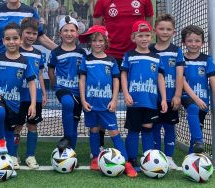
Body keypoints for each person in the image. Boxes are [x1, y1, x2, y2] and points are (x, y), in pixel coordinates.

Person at [93, 0, 154, 147]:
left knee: (136, 100)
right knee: (103, 100)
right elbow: (97, 31)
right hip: (111, 58)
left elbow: (149, 27)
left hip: (137, 58)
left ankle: (135, 144)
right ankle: (100, 145)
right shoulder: (103, 1)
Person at [78, 25, 137, 177]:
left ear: (105, 42)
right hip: (91, 104)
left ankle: (125, 162)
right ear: (90, 43)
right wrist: (83, 100)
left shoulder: (111, 61)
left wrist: (115, 99)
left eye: (100, 40)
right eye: (94, 41)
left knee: (114, 132)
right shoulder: (86, 60)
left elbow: (116, 81)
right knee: (93, 130)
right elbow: (82, 81)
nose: (97, 43)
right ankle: (96, 158)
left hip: (107, 105)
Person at [0, 22, 37, 178]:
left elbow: (32, 82)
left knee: (10, 133)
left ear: (20, 40)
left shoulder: (24, 61)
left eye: (15, 38)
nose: (12, 42)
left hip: (15, 104)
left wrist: (33, 103)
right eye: (8, 39)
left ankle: (6, 163)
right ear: (3, 41)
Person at [121, 20, 167, 170]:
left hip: (151, 101)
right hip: (134, 101)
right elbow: (123, 75)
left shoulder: (156, 57)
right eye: (140, 35)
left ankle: (147, 160)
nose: (144, 38)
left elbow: (160, 78)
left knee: (148, 129)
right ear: (134, 37)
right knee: (133, 130)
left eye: (147, 35)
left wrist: (164, 99)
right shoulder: (129, 55)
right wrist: (126, 93)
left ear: (151, 36)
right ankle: (132, 160)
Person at [149, 14, 184, 169]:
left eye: (168, 29)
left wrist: (177, 95)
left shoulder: (176, 51)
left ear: (174, 32)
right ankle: (156, 156)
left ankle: (169, 157)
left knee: (169, 127)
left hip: (170, 97)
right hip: (152, 98)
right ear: (155, 30)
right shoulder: (148, 49)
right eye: (161, 28)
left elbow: (180, 74)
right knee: (154, 127)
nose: (164, 32)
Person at [12, 18, 47, 170]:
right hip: (18, 96)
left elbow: (39, 75)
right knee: (17, 126)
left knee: (32, 126)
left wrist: (44, 93)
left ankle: (30, 156)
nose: (31, 36)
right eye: (28, 33)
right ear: (21, 33)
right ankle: (13, 155)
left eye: (34, 34)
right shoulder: (14, 50)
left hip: (35, 97)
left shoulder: (39, 53)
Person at [48, 16, 86, 151]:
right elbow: (51, 69)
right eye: (65, 30)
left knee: (74, 122)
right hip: (62, 88)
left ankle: (71, 151)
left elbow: (84, 73)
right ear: (60, 33)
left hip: (78, 91)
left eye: (72, 30)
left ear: (77, 33)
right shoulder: (55, 52)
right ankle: (67, 137)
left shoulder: (82, 52)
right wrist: (54, 84)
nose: (69, 34)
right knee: (67, 103)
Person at [181, 25, 215, 154]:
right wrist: (195, 99)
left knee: (197, 128)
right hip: (187, 96)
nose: (194, 44)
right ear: (184, 42)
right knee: (192, 108)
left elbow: (213, 79)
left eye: (197, 41)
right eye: (190, 41)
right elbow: (181, 80)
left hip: (203, 99)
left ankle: (192, 157)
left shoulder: (206, 60)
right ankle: (199, 141)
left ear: (202, 43)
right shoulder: (181, 59)